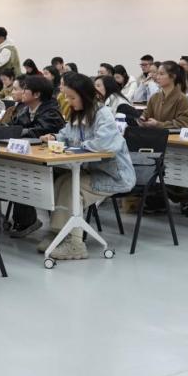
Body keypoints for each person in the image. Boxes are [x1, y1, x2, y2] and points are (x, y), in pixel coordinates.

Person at [37, 73, 135, 260]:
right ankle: (58, 233)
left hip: (115, 176)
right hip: (92, 172)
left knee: (71, 188)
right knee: (62, 181)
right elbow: (66, 134)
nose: (68, 101)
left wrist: (78, 146)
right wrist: (54, 138)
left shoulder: (103, 114)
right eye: (66, 97)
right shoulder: (78, 114)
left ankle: (75, 244)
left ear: (85, 95)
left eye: (72, 97)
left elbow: (105, 144)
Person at [6, 75, 67, 238]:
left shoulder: (51, 112)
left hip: (53, 163)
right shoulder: (24, 109)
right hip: (30, 158)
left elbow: (38, 132)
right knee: (11, 169)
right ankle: (24, 219)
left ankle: (27, 220)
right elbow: (13, 128)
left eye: (25, 89)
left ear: (37, 94)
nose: (22, 92)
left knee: (20, 173)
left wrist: (14, 132)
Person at [139, 60, 188, 129]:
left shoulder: (181, 98)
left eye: (161, 74)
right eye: (157, 74)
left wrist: (159, 124)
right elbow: (147, 113)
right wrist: (142, 118)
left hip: (171, 135)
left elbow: (183, 123)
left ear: (173, 77)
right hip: (155, 133)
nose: (157, 77)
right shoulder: (155, 97)